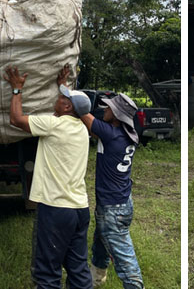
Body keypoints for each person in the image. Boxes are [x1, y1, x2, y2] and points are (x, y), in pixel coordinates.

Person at [4, 64, 93, 289]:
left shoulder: (53, 125)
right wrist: (61, 86)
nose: (58, 98)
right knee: (78, 269)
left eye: (62, 98)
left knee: (47, 273)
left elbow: (16, 119)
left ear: (66, 106)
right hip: (80, 209)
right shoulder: (83, 129)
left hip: (56, 210)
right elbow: (69, 107)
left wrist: (16, 89)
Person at [79, 93, 144, 289]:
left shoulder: (109, 133)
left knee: (125, 261)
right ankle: (96, 280)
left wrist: (63, 86)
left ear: (116, 114)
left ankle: (135, 285)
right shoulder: (125, 134)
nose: (104, 110)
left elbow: (81, 110)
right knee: (100, 243)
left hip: (111, 210)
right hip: (123, 203)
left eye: (108, 108)